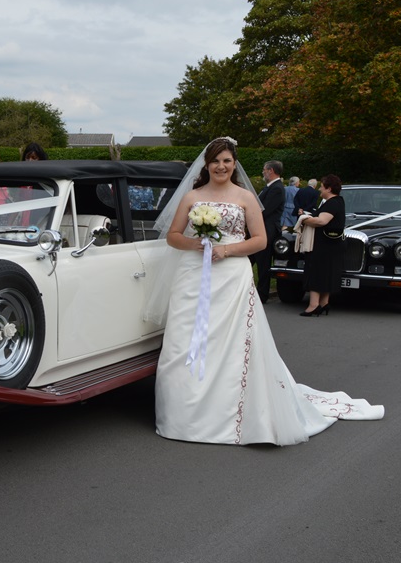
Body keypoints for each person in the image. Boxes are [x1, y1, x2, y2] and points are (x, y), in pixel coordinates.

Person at [150, 137, 383, 446]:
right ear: (207, 164)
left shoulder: (245, 197)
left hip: (231, 277)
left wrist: (227, 250)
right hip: (193, 276)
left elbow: (260, 241)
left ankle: (229, 415)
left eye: (227, 161)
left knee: (230, 344)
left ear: (235, 165)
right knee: (185, 341)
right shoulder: (192, 196)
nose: (221, 166)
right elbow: (173, 236)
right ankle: (182, 416)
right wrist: (199, 244)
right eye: (216, 161)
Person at [298, 175, 346, 316]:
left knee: (316, 272)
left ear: (329, 189)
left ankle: (313, 305)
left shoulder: (332, 203)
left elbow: (321, 221)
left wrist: (304, 219)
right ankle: (324, 303)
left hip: (324, 245)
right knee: (327, 273)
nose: (319, 189)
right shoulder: (337, 202)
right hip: (331, 244)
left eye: (322, 186)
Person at [250, 160, 285, 304]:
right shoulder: (269, 187)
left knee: (263, 264)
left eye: (264, 169)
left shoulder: (276, 188)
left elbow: (265, 210)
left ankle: (262, 294)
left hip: (267, 231)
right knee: (249, 260)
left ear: (271, 170)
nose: (263, 172)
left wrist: (249, 216)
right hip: (260, 230)